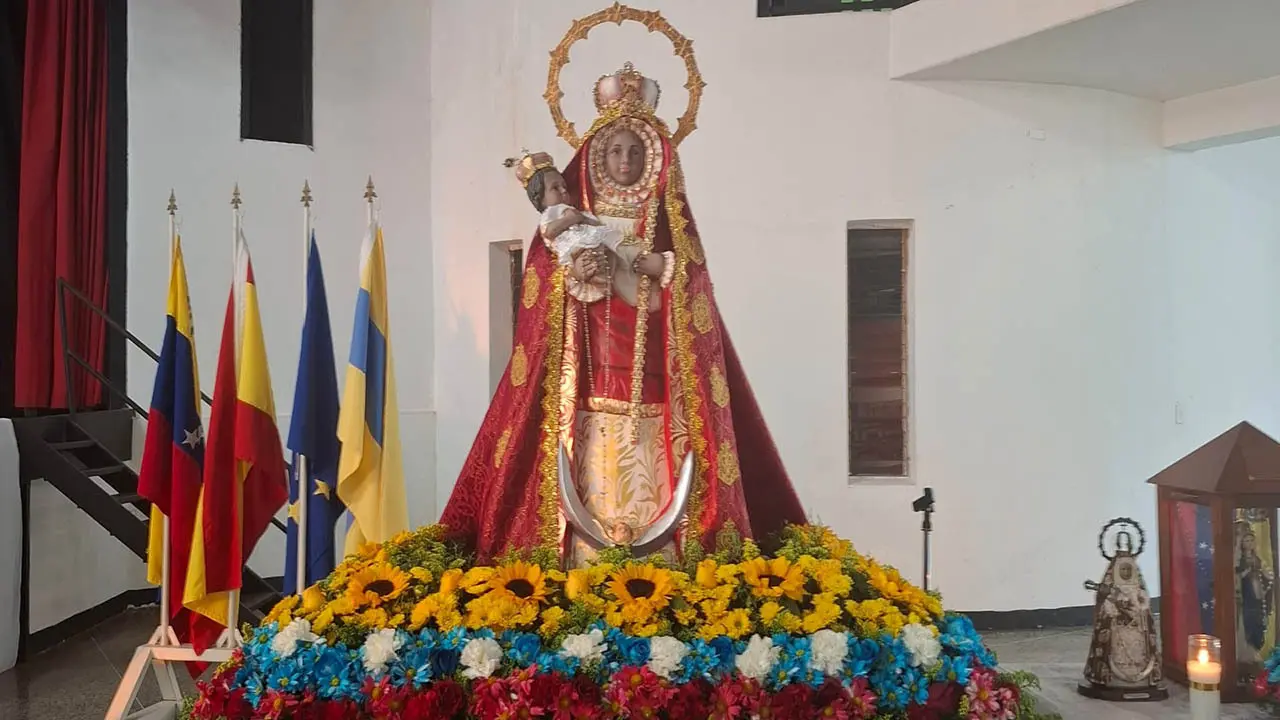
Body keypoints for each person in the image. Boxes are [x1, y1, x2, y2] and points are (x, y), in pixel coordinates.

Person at [440, 63, 807, 565]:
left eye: (636, 150)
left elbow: (691, 282)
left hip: (655, 374)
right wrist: (578, 276)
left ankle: (668, 563)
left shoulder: (667, 219)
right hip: (587, 368)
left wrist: (652, 276)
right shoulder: (567, 221)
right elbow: (541, 292)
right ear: (595, 156)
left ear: (654, 157)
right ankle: (577, 557)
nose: (626, 160)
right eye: (615, 150)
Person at [504, 152, 623, 267]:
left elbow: (593, 223)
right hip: (574, 247)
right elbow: (549, 232)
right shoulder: (550, 214)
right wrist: (570, 219)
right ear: (541, 198)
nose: (564, 190)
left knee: (610, 255)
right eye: (555, 188)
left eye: (564, 186)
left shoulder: (573, 210)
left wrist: (589, 222)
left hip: (589, 240)